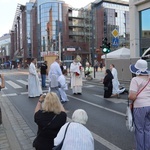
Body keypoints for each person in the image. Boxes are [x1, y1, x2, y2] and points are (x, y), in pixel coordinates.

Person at [128, 59, 150, 150]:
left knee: (139, 130)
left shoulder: (135, 80)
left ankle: (140, 148)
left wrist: (129, 96)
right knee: (147, 129)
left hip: (140, 106)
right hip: (149, 105)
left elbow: (132, 96)